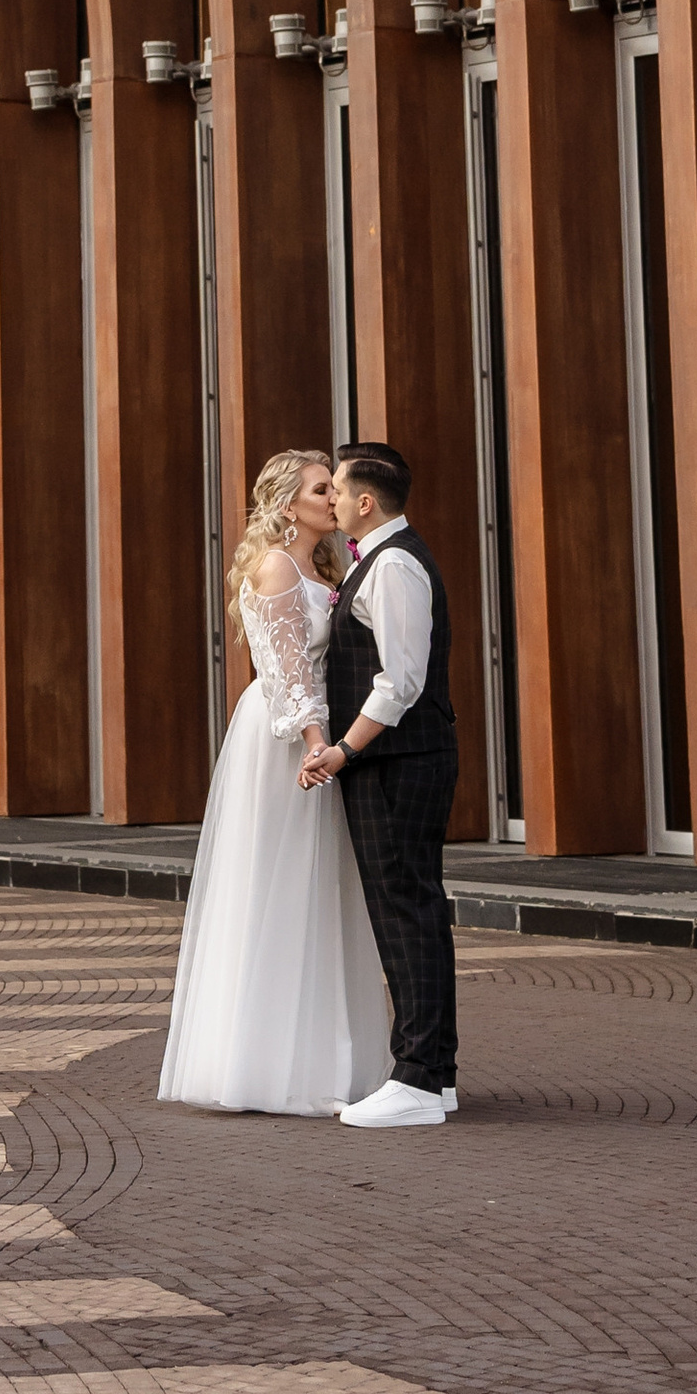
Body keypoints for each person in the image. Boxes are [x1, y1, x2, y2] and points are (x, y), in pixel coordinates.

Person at [156, 449, 391, 1115]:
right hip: (289, 738)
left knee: (317, 887)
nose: (332, 499)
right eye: (321, 490)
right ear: (290, 506)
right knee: (283, 884)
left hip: (311, 732)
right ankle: (267, 1065)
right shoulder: (277, 565)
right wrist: (321, 746)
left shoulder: (322, 566)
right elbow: (287, 669)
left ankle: (316, 1053)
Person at [301, 440, 459, 1129]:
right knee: (409, 907)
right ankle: (435, 1076)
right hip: (398, 760)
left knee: (406, 910)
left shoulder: (393, 565)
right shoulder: (383, 561)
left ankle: (420, 1081)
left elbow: (401, 681)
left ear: (366, 502)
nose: (330, 498)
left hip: (399, 761)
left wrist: (341, 751)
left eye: (336, 488)